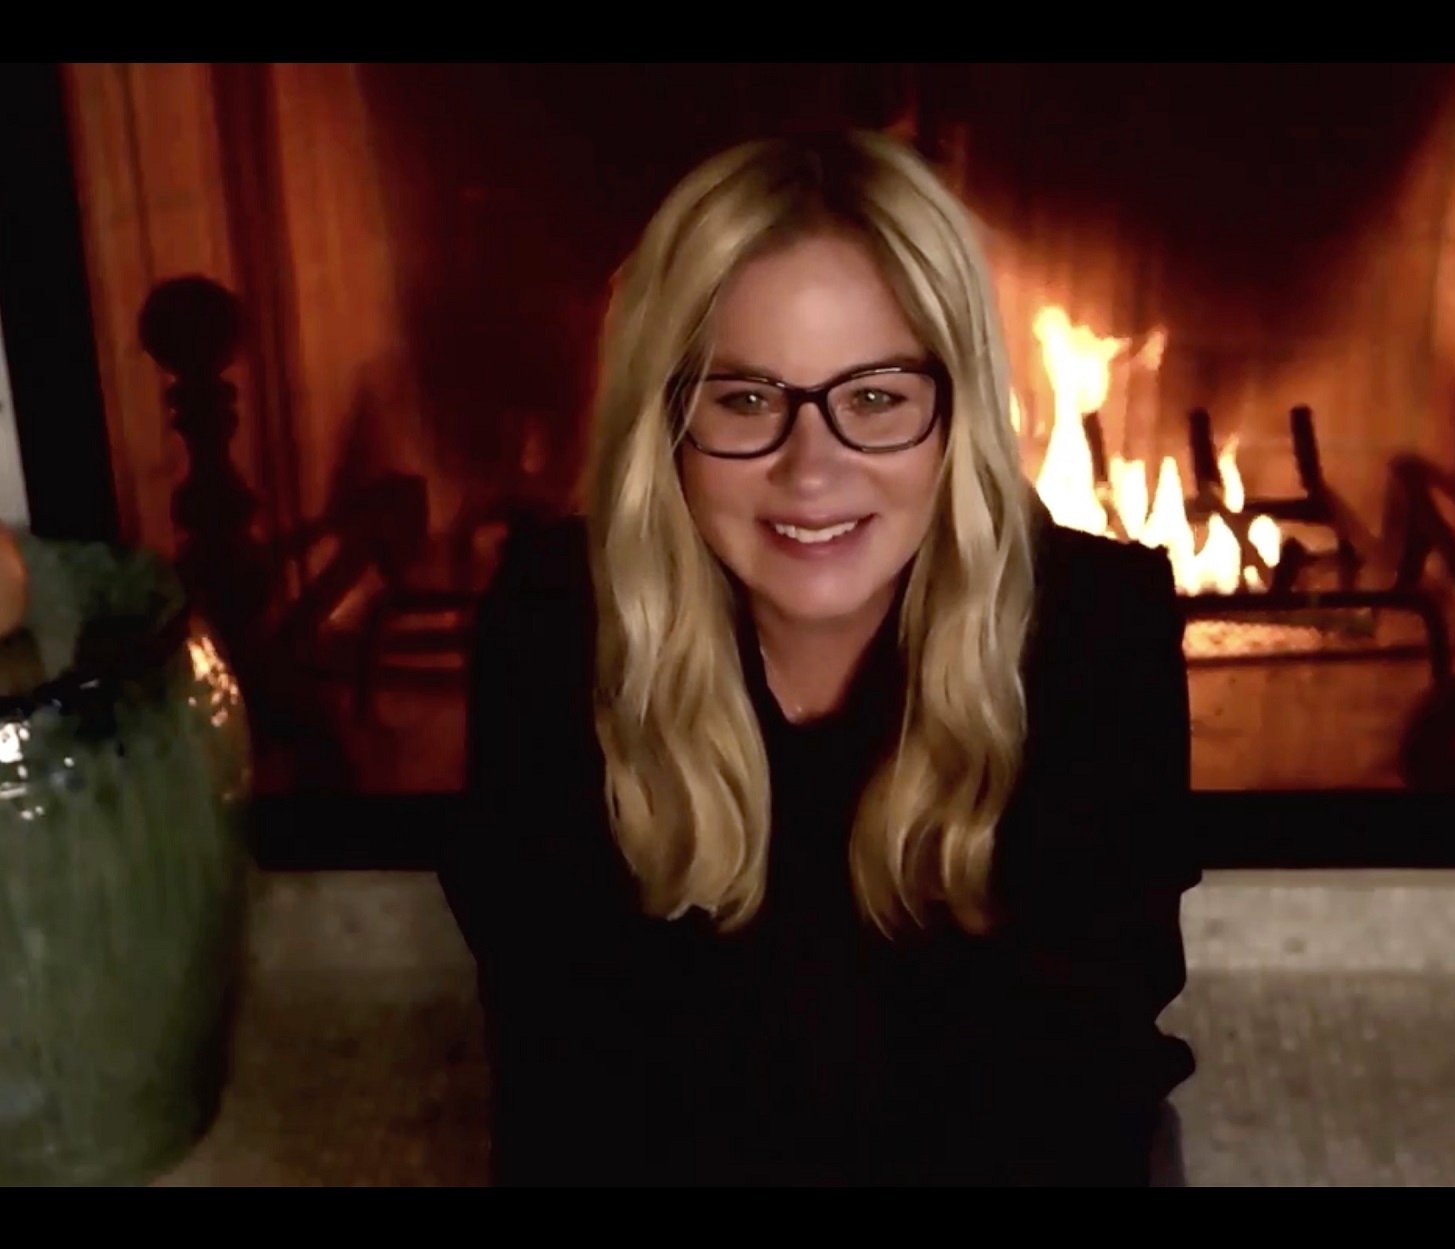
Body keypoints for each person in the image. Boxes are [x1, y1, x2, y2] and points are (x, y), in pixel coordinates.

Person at [439, 128, 1199, 1187]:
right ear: (666, 418)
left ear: (956, 416)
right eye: (745, 398)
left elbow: (1067, 1091)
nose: (812, 468)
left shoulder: (1095, 631)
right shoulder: (551, 625)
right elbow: (568, 1094)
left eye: (877, 397)